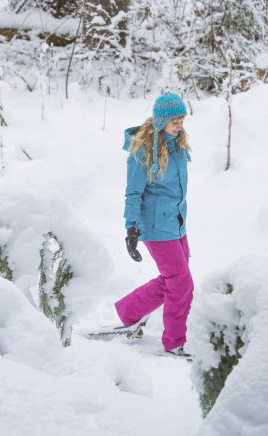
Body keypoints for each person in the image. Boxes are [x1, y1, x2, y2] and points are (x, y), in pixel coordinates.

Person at [113, 92, 193, 359]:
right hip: (156, 228)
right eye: (174, 120)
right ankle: (173, 343)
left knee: (174, 281)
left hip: (177, 224)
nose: (179, 125)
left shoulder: (178, 144)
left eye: (181, 120)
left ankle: (129, 313)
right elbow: (133, 193)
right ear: (160, 120)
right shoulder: (142, 150)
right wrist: (132, 228)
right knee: (181, 284)